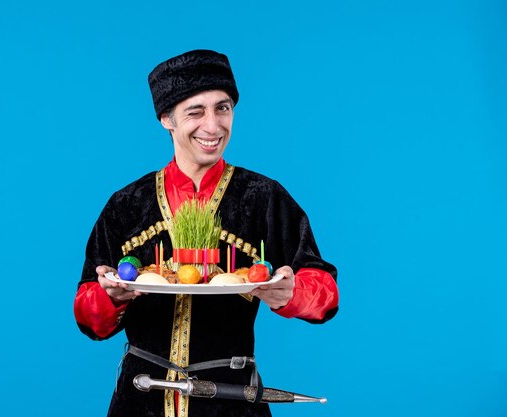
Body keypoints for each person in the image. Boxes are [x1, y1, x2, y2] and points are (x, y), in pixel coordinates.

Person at [74, 49, 339, 417]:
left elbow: (325, 291)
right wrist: (110, 298)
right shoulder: (126, 204)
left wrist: (292, 293)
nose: (213, 127)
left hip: (230, 399)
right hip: (141, 399)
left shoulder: (263, 198)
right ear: (166, 118)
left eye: (223, 108)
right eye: (195, 112)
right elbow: (88, 317)